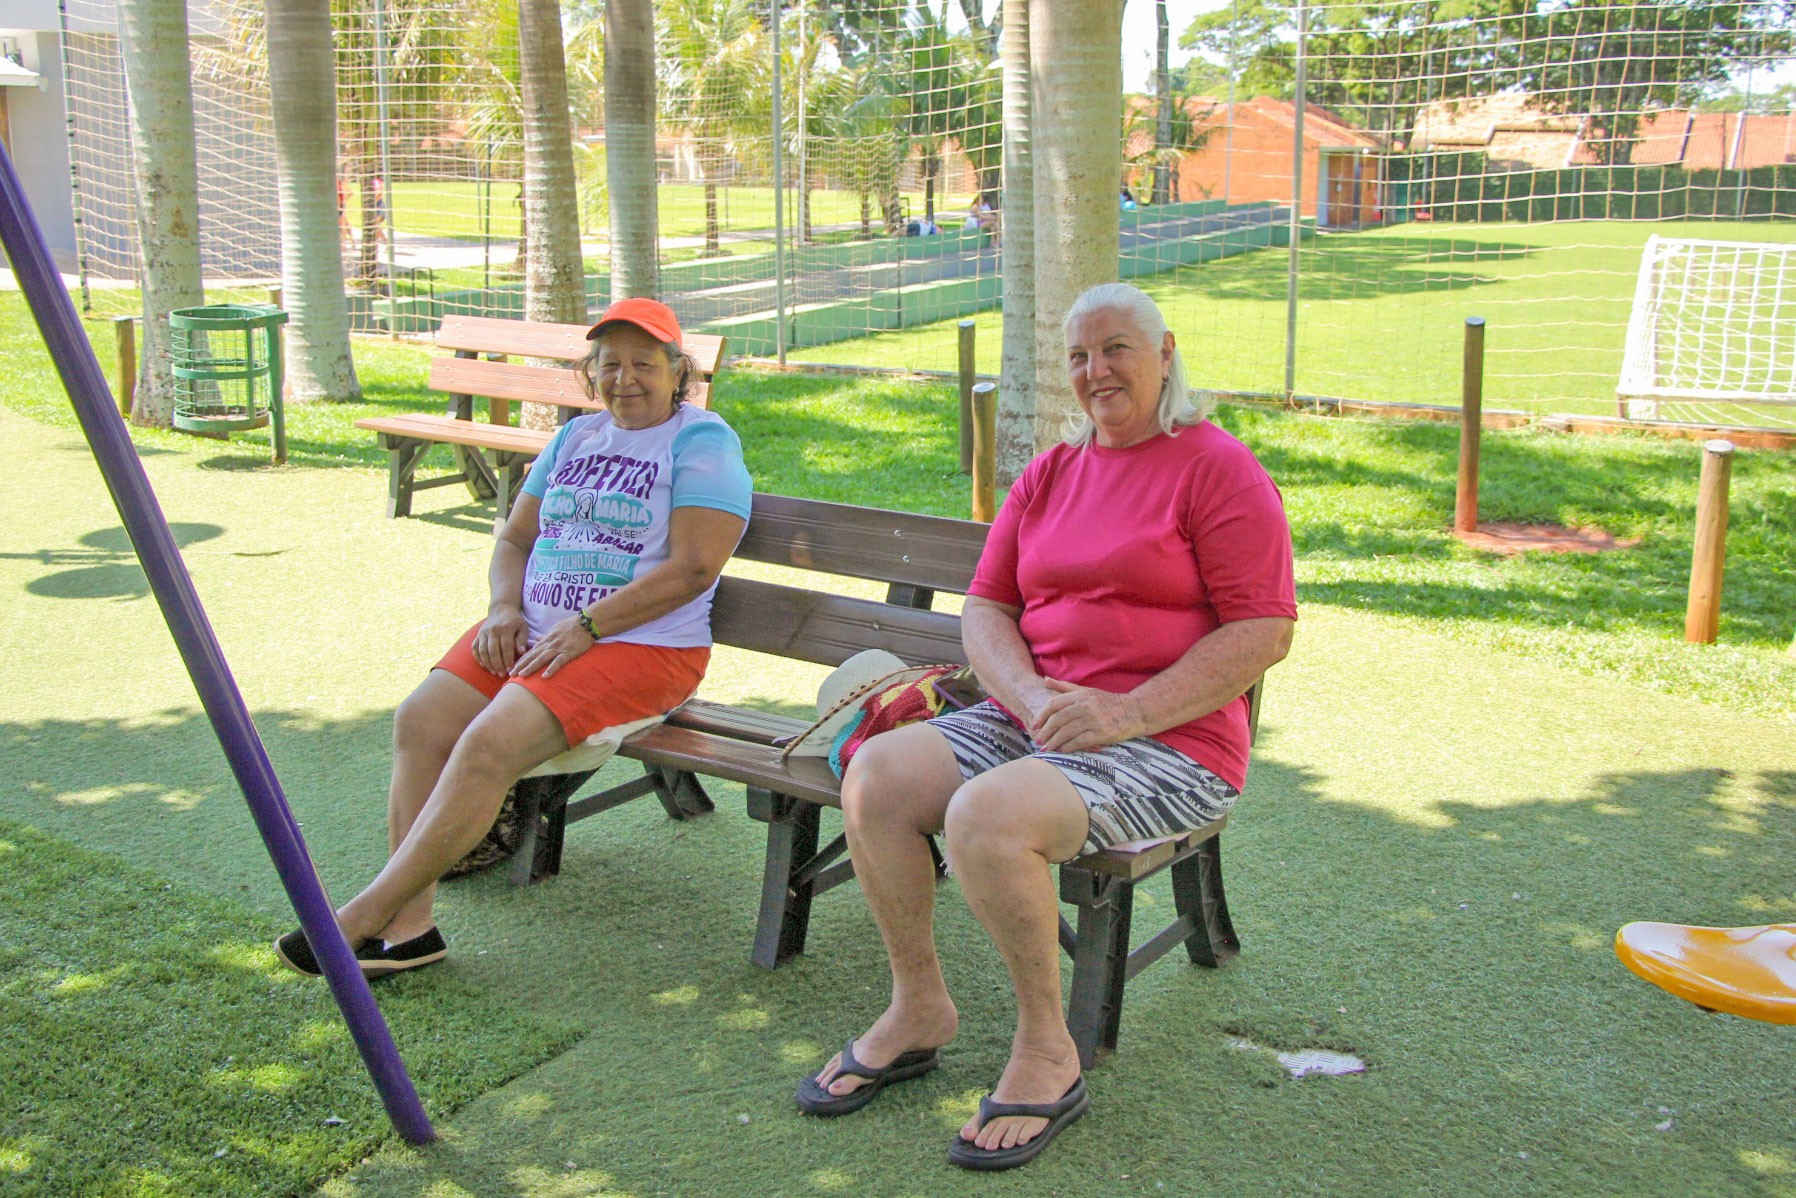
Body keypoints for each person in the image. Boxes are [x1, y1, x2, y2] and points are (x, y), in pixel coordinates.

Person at [795, 282, 1296, 1170]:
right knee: (875, 776)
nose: (1096, 370)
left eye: (1117, 349)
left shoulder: (1216, 468)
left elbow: (1264, 630)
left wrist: (1126, 711)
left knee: (988, 817)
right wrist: (1027, 697)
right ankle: (919, 1007)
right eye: (1078, 355)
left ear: (1165, 352)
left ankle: (1046, 1050)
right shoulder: (1054, 472)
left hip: (1170, 742)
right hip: (1039, 719)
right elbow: (986, 606)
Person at [275, 298, 751, 978]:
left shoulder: (702, 442)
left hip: (644, 645)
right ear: (590, 373)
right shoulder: (575, 438)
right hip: (533, 631)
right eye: (609, 363)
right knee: (422, 721)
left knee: (487, 744)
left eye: (644, 364)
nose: (625, 379)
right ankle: (411, 930)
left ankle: (360, 916)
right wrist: (503, 606)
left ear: (679, 372)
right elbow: (516, 539)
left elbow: (694, 568)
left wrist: (588, 626)